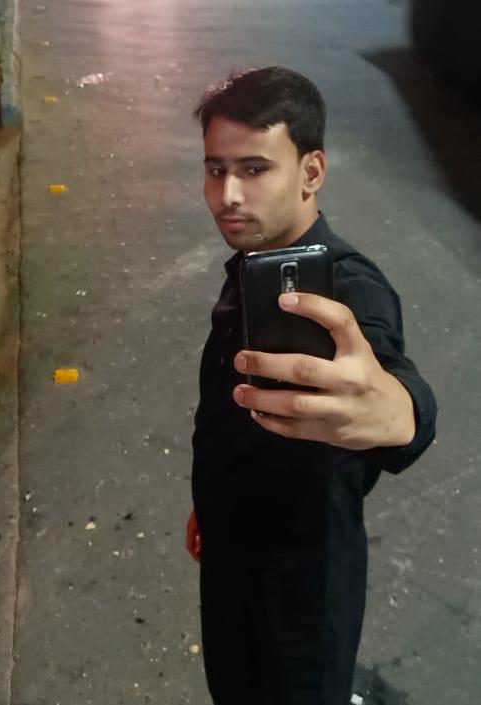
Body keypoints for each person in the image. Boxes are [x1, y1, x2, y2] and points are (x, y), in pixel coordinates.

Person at [185, 65, 437, 705]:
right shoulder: (255, 266)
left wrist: (402, 415)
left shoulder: (350, 290)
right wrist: (209, 506)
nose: (228, 195)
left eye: (254, 169)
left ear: (312, 172)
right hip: (231, 557)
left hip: (300, 594)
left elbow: (391, 384)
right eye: (216, 170)